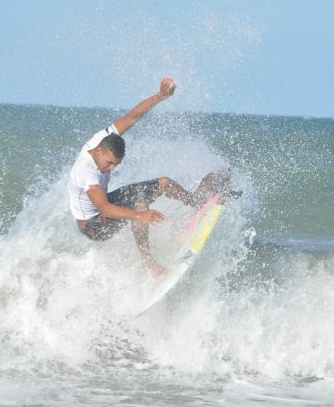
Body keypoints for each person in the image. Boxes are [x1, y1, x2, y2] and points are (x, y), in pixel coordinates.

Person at [68, 77, 221, 276]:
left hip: (105, 205)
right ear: (98, 152)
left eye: (116, 164)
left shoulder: (102, 141)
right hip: (93, 226)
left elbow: (132, 117)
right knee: (139, 205)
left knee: (164, 183)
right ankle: (149, 263)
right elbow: (104, 208)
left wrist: (161, 96)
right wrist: (141, 215)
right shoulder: (86, 173)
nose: (112, 169)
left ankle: (197, 204)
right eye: (109, 163)